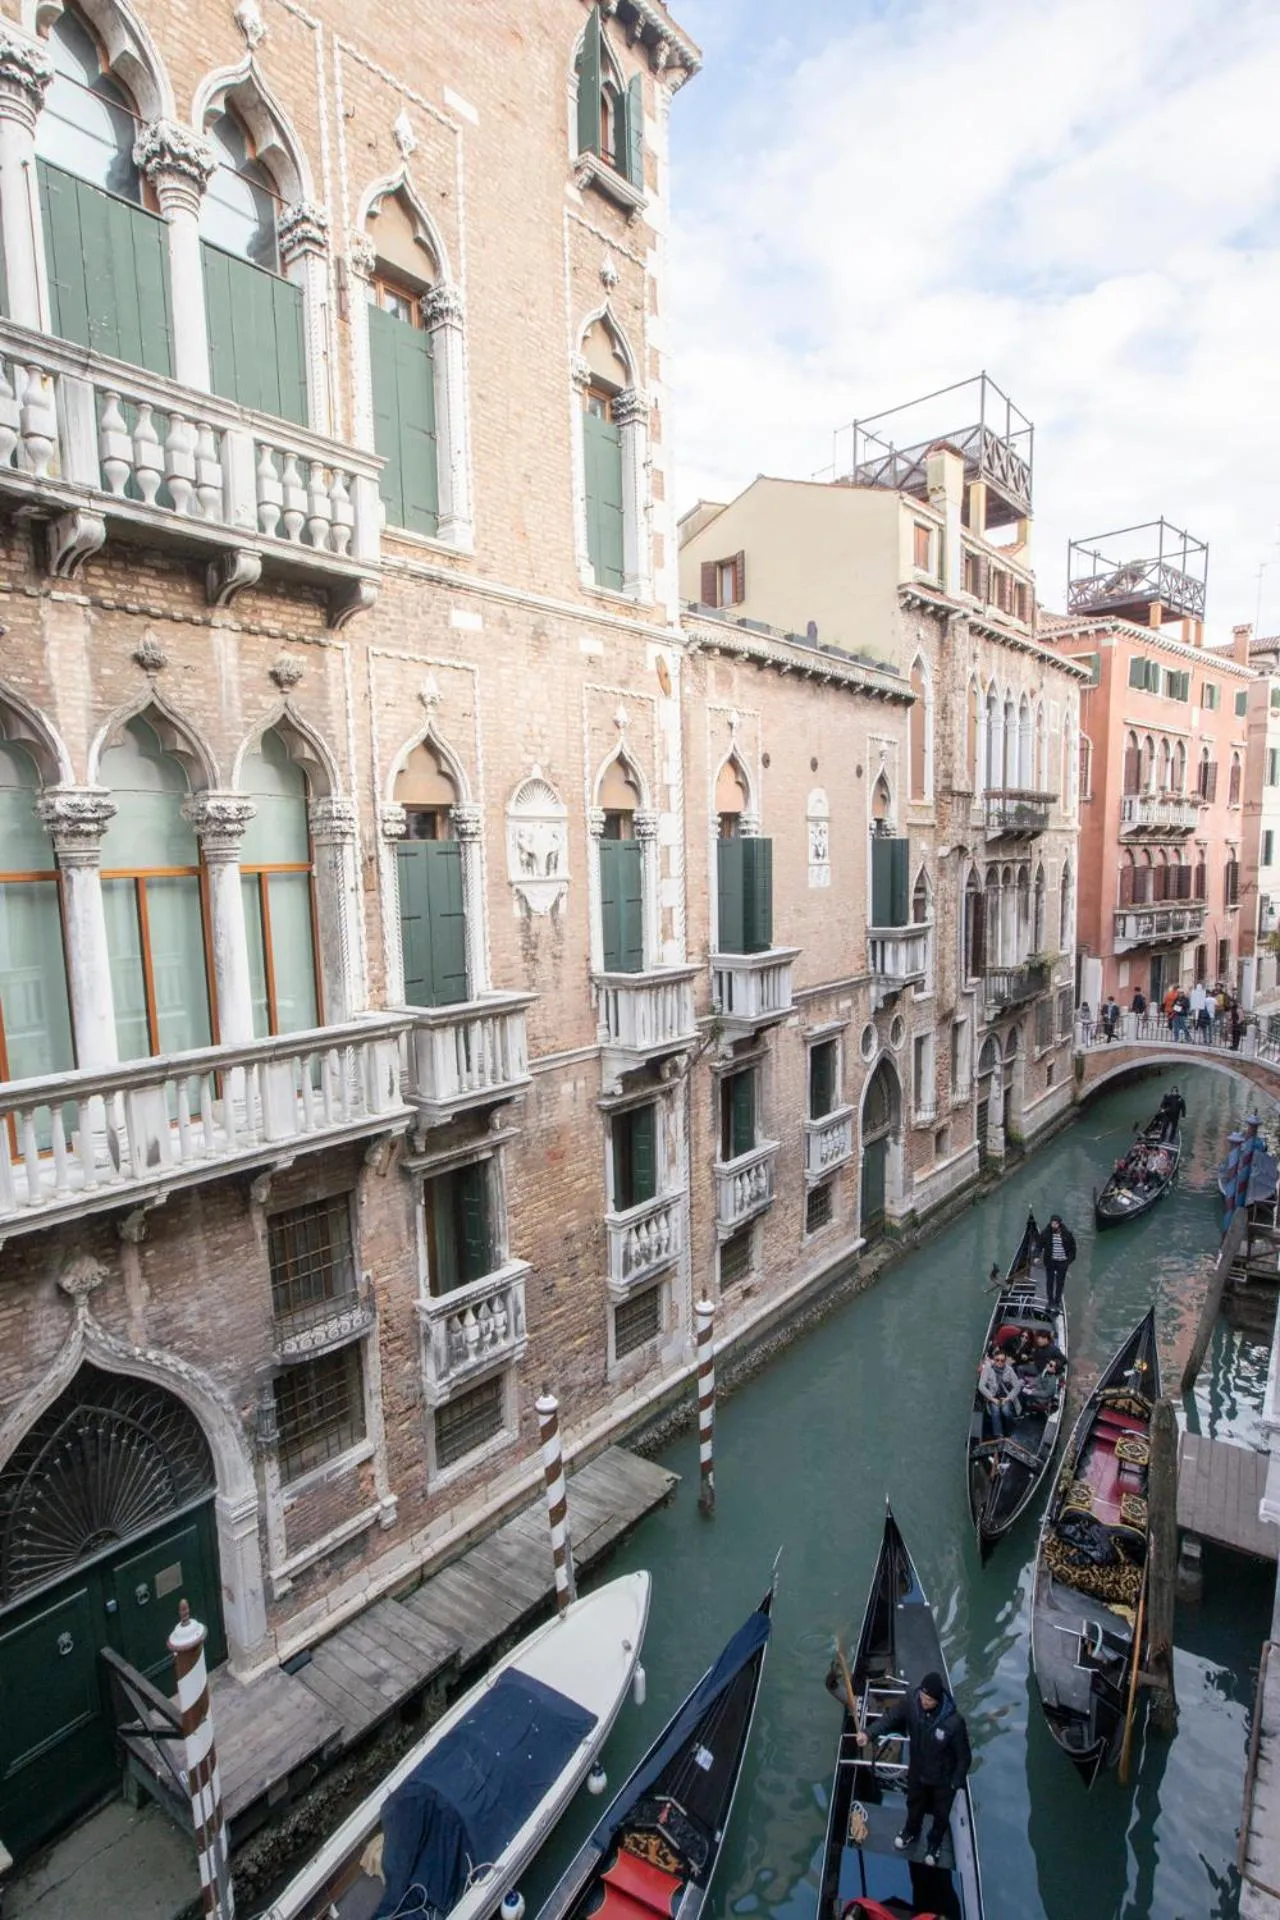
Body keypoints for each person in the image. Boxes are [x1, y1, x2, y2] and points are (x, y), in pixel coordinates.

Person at [855, 1670, 972, 1865]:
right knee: (914, 1804)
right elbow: (890, 1718)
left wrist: (955, 1783)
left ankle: (934, 1845)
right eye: (923, 1697)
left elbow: (964, 1757)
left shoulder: (954, 1723)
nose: (924, 1702)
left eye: (929, 1700)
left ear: (938, 1700)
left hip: (943, 1780)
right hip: (918, 1771)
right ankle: (911, 1831)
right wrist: (868, 1733)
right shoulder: (912, 1702)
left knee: (941, 1815)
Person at [978, 1343, 1021, 1438]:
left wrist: (1008, 1398)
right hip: (993, 1396)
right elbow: (981, 1386)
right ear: (994, 1359)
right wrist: (992, 1398)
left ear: (1005, 1361)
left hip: (1005, 1396)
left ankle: (1010, 1430)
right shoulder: (988, 1369)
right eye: (997, 1360)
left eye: (1002, 1360)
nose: (1000, 1362)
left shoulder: (1009, 1370)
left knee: (1006, 1411)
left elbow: (1017, 1386)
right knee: (995, 1411)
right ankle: (998, 1435)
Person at [1038, 1213, 1077, 1313]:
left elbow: (1073, 1249)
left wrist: (1069, 1261)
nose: (1053, 1225)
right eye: (1052, 1223)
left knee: (1060, 1283)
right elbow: (1039, 1245)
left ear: (1059, 1224)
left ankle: (1057, 1302)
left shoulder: (1067, 1234)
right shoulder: (1046, 1233)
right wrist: (1036, 1256)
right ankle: (1050, 1301)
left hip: (1062, 1262)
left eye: (1055, 1224)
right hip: (1050, 1261)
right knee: (1049, 1282)